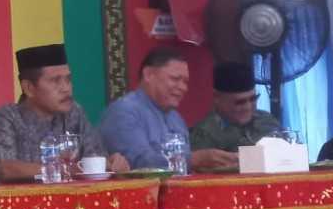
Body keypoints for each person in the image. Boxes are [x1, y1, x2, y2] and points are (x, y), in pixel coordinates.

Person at [0, 43, 127, 181]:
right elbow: (5, 169)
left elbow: (96, 158)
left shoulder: (74, 113)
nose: (66, 88)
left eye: (68, 79)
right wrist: (66, 169)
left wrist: (112, 163)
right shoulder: (6, 118)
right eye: (55, 81)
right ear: (29, 88)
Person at [97, 47, 234, 172]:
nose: (183, 88)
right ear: (148, 74)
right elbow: (138, 163)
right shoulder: (124, 111)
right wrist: (194, 160)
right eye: (175, 79)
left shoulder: (176, 119)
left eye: (185, 82)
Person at [189, 62, 280, 158]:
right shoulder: (203, 134)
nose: (248, 107)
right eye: (240, 102)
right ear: (217, 98)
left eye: (253, 99)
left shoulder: (267, 121)